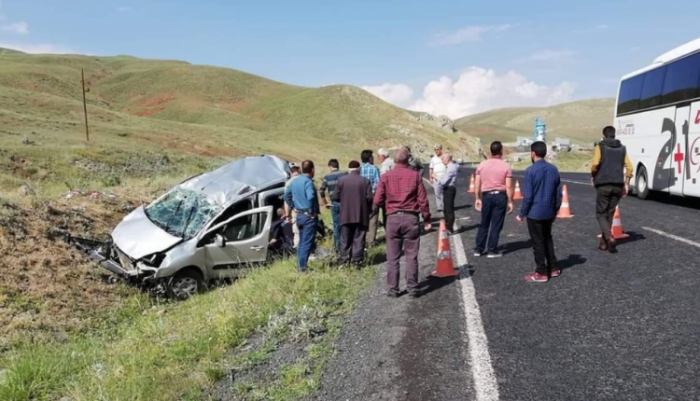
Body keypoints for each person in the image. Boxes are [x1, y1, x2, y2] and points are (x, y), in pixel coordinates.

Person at [373, 147, 432, 298]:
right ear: (408, 160)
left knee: (393, 257)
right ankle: (412, 288)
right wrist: (426, 218)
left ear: (394, 160)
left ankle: (393, 289)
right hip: (411, 217)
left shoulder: (386, 177)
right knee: (411, 255)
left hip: (392, 218)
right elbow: (422, 200)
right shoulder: (415, 176)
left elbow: (377, 200)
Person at [516, 142, 562, 283]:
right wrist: (555, 210)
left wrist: (521, 214)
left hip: (535, 213)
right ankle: (553, 268)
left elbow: (528, 197)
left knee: (537, 242)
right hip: (548, 211)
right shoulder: (553, 169)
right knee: (547, 239)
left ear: (533, 153)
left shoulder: (530, 171)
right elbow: (558, 194)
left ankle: (541, 272)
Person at [591, 126, 634, 253]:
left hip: (603, 184)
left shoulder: (600, 147)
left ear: (604, 135)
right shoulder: (622, 149)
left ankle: (609, 237)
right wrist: (626, 183)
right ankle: (604, 244)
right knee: (609, 214)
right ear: (614, 135)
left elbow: (595, 164)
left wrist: (593, 175)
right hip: (617, 185)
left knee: (600, 214)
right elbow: (630, 168)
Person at [474, 141, 514, 258]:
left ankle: (478, 248)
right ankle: (492, 250)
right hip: (500, 196)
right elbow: (508, 186)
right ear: (501, 151)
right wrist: (510, 201)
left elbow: (477, 183)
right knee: (496, 224)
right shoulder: (506, 166)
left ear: (490, 151)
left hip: (486, 196)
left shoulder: (482, 165)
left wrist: (477, 198)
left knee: (484, 223)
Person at [333, 160, 373, 267]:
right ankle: (357, 261)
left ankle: (344, 260)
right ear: (359, 169)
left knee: (345, 239)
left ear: (349, 169)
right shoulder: (365, 181)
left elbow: (335, 197)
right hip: (361, 215)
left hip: (345, 215)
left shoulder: (341, 180)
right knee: (359, 238)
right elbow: (369, 198)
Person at [284, 160, 320, 273]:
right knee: (306, 243)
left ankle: (300, 265)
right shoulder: (308, 182)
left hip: (299, 215)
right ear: (312, 170)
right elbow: (311, 196)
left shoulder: (294, 182)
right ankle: (302, 269)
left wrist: (293, 206)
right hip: (308, 216)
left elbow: (286, 195)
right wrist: (311, 211)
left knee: (301, 243)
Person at [319, 159, 347, 253]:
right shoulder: (345, 174)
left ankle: (337, 248)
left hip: (334, 203)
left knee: (336, 226)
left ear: (330, 167)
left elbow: (321, 191)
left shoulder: (327, 176)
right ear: (337, 165)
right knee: (346, 225)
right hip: (345, 203)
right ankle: (346, 245)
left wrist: (325, 203)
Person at [360, 150, 381, 247]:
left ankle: (362, 241)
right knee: (373, 219)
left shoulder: (359, 169)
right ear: (370, 159)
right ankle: (371, 241)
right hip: (372, 197)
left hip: (361, 198)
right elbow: (378, 183)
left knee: (363, 219)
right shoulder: (374, 169)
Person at [437, 152, 459, 234]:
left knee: (449, 209)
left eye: (443, 158)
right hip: (448, 189)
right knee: (446, 209)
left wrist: (437, 178)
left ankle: (449, 228)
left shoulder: (450, 168)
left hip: (449, 189)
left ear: (447, 159)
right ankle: (447, 226)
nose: (442, 160)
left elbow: (444, 181)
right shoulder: (449, 167)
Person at [285, 163, 302, 248]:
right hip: (306, 210)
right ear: (299, 169)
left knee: (297, 233)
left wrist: (287, 215)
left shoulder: (288, 183)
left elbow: (286, 200)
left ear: (290, 171)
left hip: (295, 212)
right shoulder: (304, 179)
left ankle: (299, 252)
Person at [429, 144, 447, 212]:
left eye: (438, 149)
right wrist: (430, 177)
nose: (436, 151)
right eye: (435, 150)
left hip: (444, 177)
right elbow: (431, 169)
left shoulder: (445, 157)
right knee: (437, 193)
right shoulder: (433, 159)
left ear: (441, 149)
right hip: (436, 178)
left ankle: (446, 206)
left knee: (445, 193)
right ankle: (439, 207)